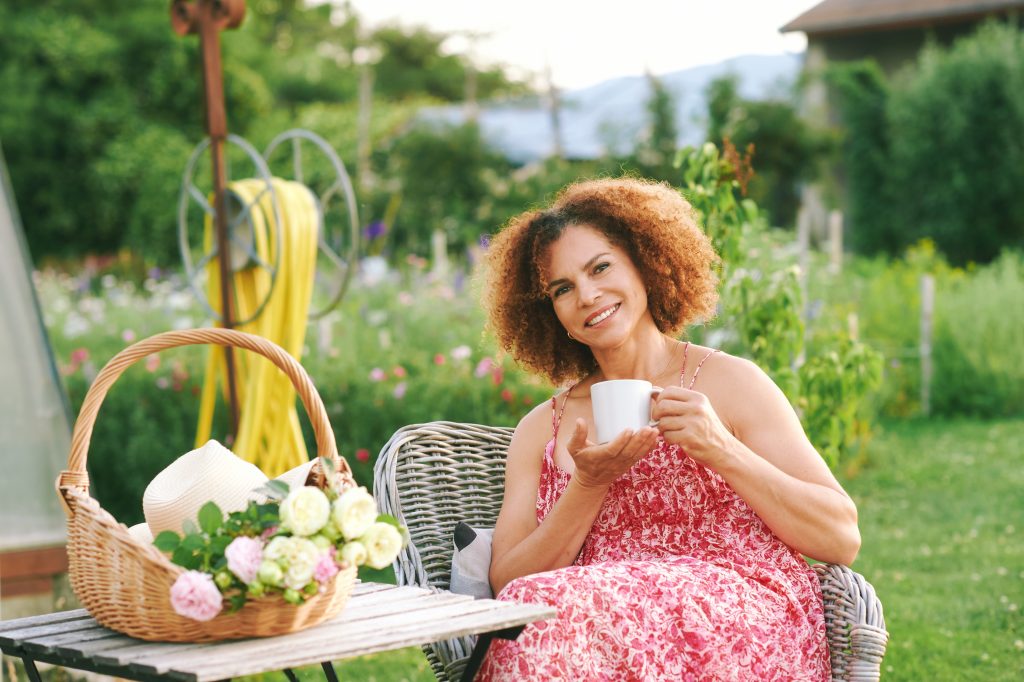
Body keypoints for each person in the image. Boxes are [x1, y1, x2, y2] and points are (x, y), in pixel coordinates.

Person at [475, 177, 860, 681]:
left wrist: (721, 449)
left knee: (548, 619)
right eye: (562, 289)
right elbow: (510, 584)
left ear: (644, 262)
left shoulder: (731, 383)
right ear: (550, 313)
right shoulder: (539, 431)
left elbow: (840, 537)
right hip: (589, 630)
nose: (588, 295)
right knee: (534, 614)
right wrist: (589, 484)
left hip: (739, 620)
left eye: (601, 267)